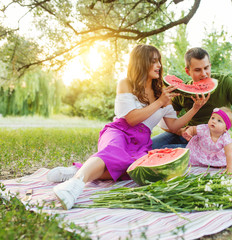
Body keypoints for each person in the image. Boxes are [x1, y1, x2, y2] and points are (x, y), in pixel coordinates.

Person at [49, 44, 209, 210]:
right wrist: (160, 102)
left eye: (159, 61)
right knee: (113, 151)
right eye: (153, 61)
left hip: (142, 141)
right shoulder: (126, 83)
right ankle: (74, 185)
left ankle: (78, 171)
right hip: (119, 131)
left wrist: (195, 108)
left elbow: (173, 125)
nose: (159, 65)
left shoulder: (162, 91)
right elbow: (131, 119)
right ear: (140, 62)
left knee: (129, 169)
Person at [151, 47, 232, 171]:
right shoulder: (183, 92)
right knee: (149, 147)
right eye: (197, 70)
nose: (204, 74)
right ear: (187, 71)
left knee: (164, 152)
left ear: (210, 65)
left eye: (206, 68)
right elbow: (164, 123)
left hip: (213, 141)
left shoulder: (226, 84)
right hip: (190, 137)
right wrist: (181, 131)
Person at [183, 107, 232, 173]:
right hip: (200, 151)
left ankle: (215, 164)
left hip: (218, 154)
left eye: (219, 121)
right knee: (189, 160)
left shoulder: (225, 137)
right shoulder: (204, 129)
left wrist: (230, 168)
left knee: (224, 162)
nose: (214, 121)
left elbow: (229, 154)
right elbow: (193, 129)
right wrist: (188, 132)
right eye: (213, 118)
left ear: (225, 128)